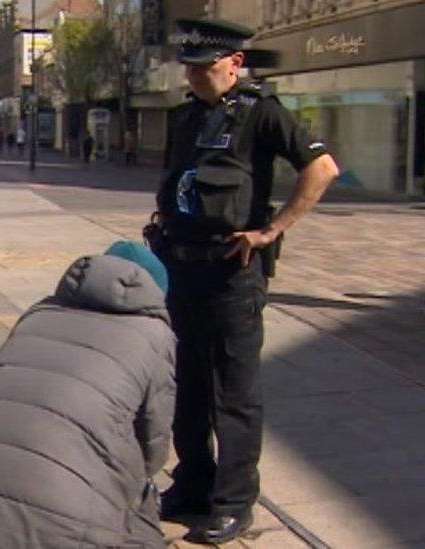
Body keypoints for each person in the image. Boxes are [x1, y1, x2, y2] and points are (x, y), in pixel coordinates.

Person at [154, 18, 339, 544]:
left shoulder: (264, 114)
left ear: (234, 63)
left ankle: (233, 502)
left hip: (231, 272)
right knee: (186, 384)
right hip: (180, 267)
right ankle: (192, 483)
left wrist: (272, 229)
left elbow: (322, 168)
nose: (193, 76)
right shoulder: (185, 117)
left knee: (232, 391)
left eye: (204, 67)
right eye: (188, 67)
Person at [0, 241, 176, 549]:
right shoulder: (155, 336)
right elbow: (154, 440)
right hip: (64, 524)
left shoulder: (40, 312)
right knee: (139, 514)